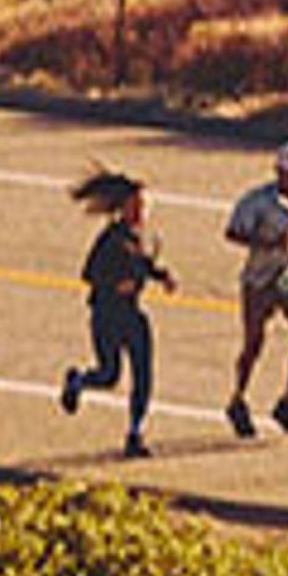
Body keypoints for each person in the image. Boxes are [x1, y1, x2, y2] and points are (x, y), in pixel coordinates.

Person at [59, 165, 175, 456]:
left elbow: (142, 264)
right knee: (109, 375)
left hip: (132, 315)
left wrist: (161, 277)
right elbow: (89, 274)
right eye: (136, 205)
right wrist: (115, 286)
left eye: (145, 206)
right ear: (122, 207)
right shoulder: (110, 239)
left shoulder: (138, 238)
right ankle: (78, 381)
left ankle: (135, 433)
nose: (141, 211)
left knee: (143, 375)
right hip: (106, 314)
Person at [222, 140, 288, 439]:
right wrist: (266, 244)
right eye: (287, 174)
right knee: (254, 344)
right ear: (277, 172)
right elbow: (232, 233)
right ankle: (238, 399)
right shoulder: (256, 202)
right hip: (259, 279)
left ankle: (287, 400)